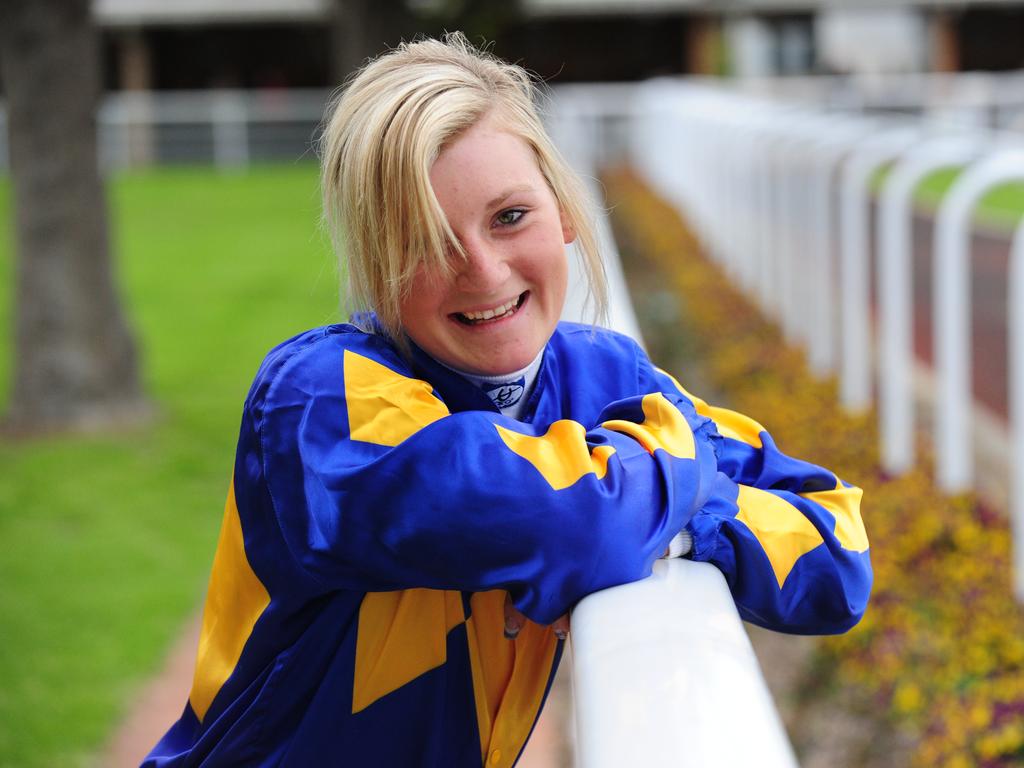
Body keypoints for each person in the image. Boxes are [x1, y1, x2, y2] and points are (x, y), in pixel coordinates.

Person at [143, 32, 871, 768]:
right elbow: (564, 522)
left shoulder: (603, 378)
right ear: (373, 267)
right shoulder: (317, 400)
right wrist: (671, 467)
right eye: (425, 241)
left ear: (563, 212)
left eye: (509, 216)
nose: (484, 272)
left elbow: (839, 555)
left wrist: (684, 517)